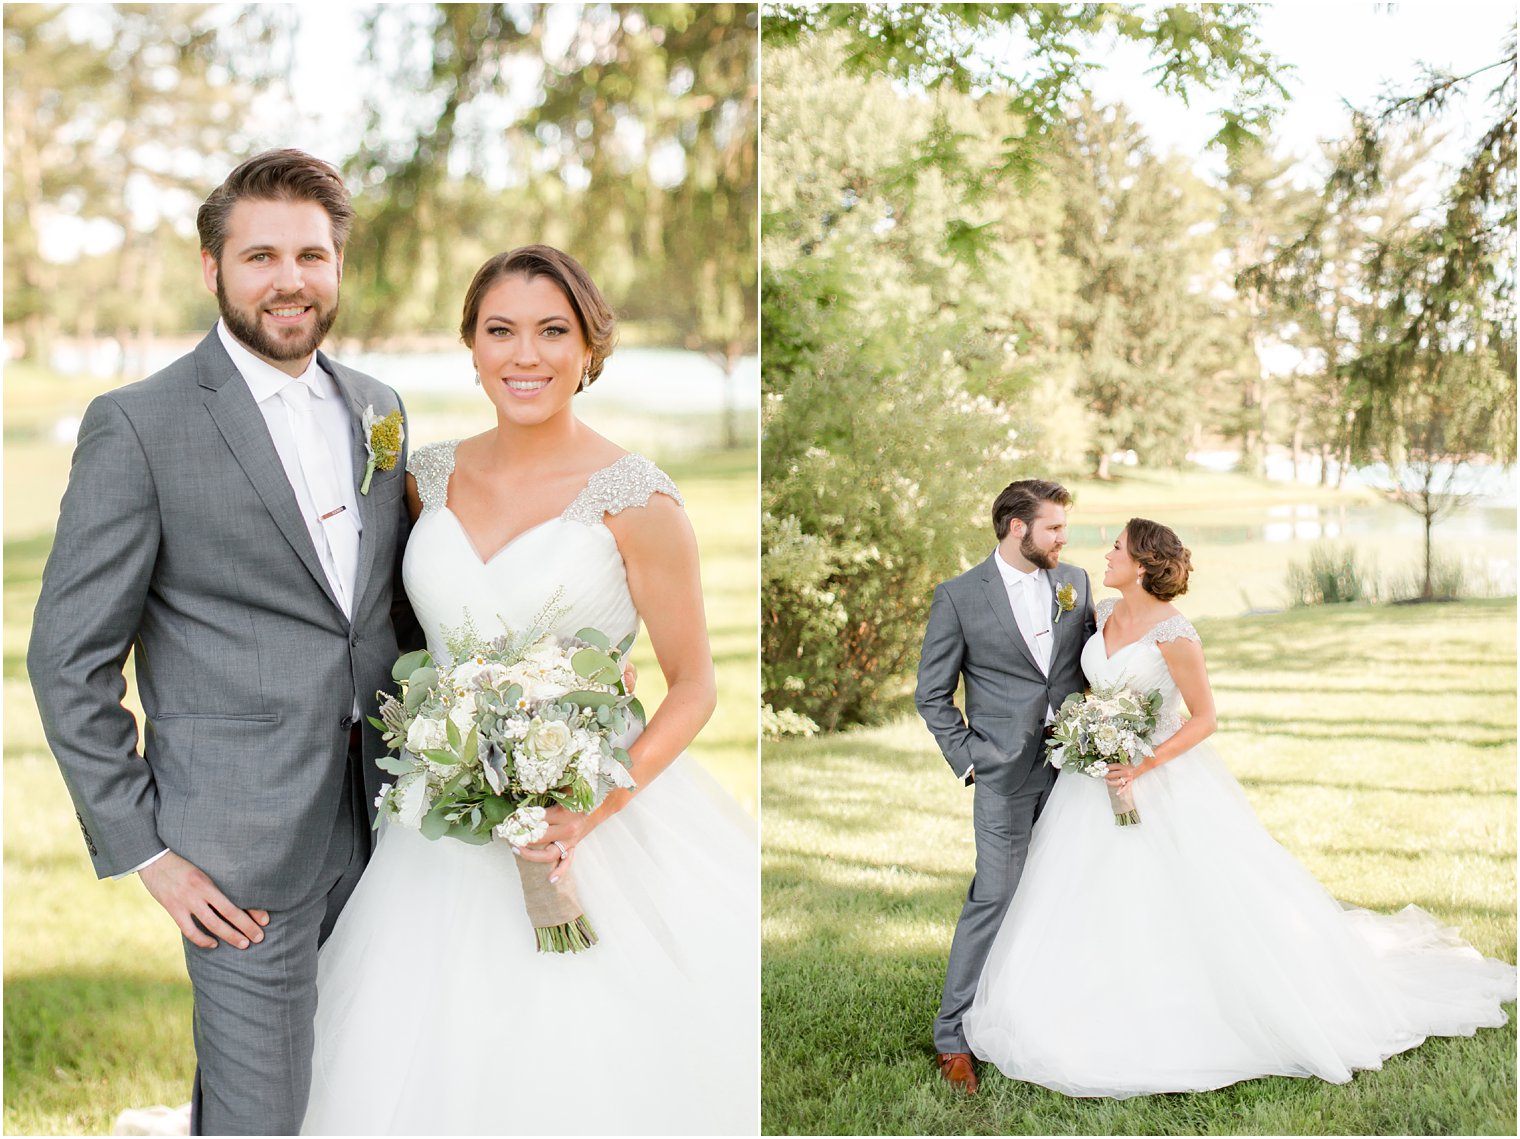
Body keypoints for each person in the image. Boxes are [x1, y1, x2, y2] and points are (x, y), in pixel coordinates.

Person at [298, 245, 760, 1135]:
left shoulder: (638, 499)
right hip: (434, 829)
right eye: (500, 330)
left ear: (590, 348)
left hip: (584, 823)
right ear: (470, 348)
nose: (526, 355)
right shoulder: (422, 482)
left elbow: (695, 686)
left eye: (554, 331)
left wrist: (587, 807)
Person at [28, 150, 416, 1134]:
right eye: (260, 257)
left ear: (337, 266)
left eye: (312, 255)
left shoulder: (379, 407)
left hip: (392, 824)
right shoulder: (139, 424)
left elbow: (388, 610)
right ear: (213, 270)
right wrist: (147, 850)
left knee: (372, 1088)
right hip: (237, 855)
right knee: (261, 1114)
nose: (290, 279)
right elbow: (67, 656)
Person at [962, 518, 1517, 1097]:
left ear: (1145, 564)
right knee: (1079, 889)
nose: (1107, 554)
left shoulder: (1176, 634)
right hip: (1092, 782)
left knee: (1179, 892)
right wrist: (1093, 738)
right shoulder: (1100, 614)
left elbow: (1204, 718)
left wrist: (1141, 763)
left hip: (1157, 777)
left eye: (1118, 548)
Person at [913, 479, 1099, 1093]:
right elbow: (931, 694)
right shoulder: (960, 596)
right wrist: (971, 759)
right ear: (1017, 528)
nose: (1063, 538)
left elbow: (1087, 664)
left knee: (1065, 891)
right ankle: (951, 1038)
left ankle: (1042, 1015)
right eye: (1053, 528)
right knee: (993, 895)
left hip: (1075, 769)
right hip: (1002, 772)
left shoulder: (1074, 580)